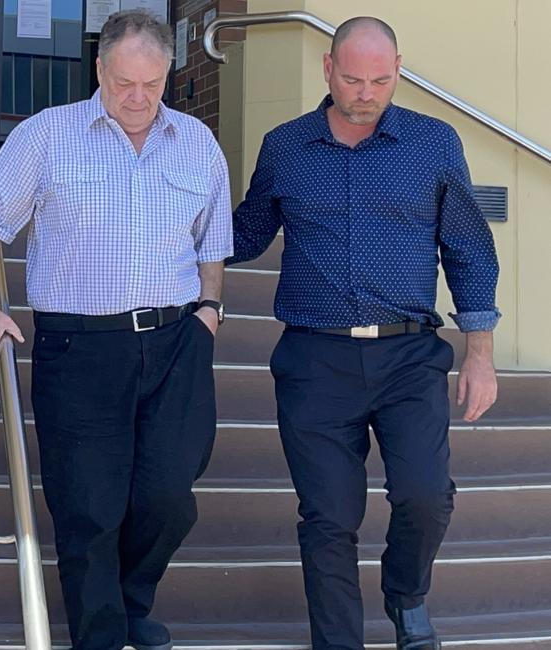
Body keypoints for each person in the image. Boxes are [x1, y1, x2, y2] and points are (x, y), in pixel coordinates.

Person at [0, 10, 232, 650]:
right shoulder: (46, 136)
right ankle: (103, 632)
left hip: (175, 343)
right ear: (100, 70)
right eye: (123, 84)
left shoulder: (198, 142)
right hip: (78, 346)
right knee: (88, 505)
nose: (138, 99)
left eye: (152, 84)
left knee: (169, 494)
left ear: (168, 74)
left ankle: (132, 599)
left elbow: (212, 242)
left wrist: (210, 312)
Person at [228, 16, 499, 650]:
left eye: (382, 78)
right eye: (353, 78)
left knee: (426, 495)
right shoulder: (285, 146)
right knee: (328, 518)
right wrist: (169, 238)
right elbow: (243, 235)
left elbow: (468, 248)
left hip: (409, 354)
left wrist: (479, 354)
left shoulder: (434, 143)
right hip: (314, 358)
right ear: (327, 68)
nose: (368, 92)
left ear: (398, 69)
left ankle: (406, 597)